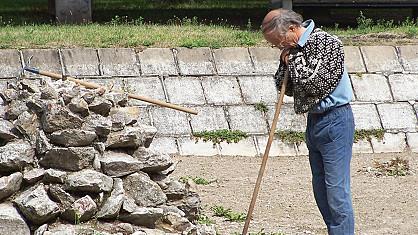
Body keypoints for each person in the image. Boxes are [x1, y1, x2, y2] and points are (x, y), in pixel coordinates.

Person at [261, 9, 355, 235]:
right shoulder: (293, 49)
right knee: (321, 189)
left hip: (336, 120)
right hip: (314, 122)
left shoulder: (327, 42)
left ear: (292, 28)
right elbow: (284, 86)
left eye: (279, 41)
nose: (279, 47)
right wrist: (285, 63)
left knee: (336, 191)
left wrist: (291, 59)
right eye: (275, 45)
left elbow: (315, 84)